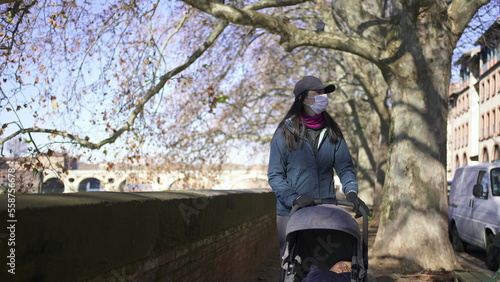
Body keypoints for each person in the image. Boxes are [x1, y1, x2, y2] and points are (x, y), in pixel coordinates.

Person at [267, 75, 369, 259]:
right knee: (291, 264)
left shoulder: (333, 132)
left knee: (324, 264)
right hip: (291, 211)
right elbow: (275, 175)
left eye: (325, 92)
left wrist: (352, 192)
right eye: (318, 92)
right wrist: (294, 198)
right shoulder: (284, 133)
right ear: (303, 98)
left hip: (324, 209)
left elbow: (345, 168)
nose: (324, 96)